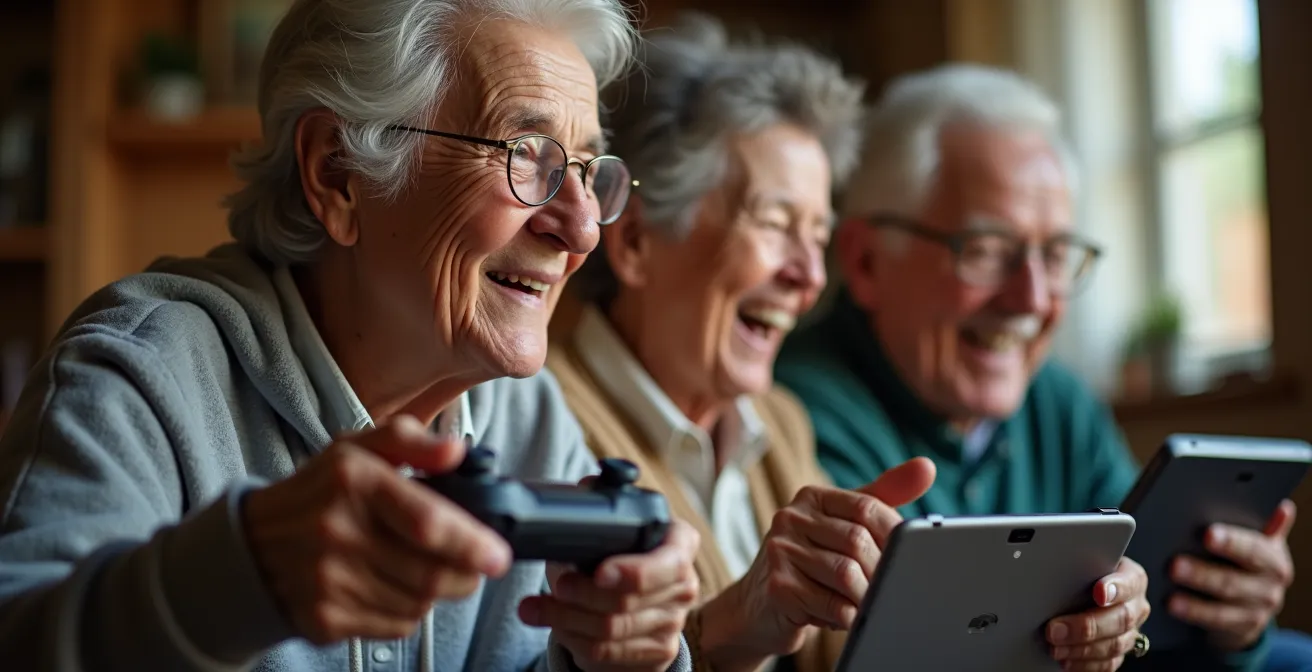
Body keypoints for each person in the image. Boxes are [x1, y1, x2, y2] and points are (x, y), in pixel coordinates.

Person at [0, 1, 703, 670]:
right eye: (526, 154)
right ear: (337, 173)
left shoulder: (531, 420)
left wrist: (612, 659)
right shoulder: (143, 371)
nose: (581, 229)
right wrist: (231, 581)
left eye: (585, 171)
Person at [775, 63, 1305, 672]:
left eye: (1055, 255)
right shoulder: (798, 411)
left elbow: (1142, 617)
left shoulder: (1056, 399)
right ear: (866, 262)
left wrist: (1225, 627)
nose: (1031, 298)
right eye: (986, 249)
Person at [546, 14, 935, 672]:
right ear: (637, 242)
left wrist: (1055, 622)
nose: (809, 278)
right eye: (776, 223)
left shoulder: (778, 422)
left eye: (816, 236)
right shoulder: (543, 422)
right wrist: (735, 625)